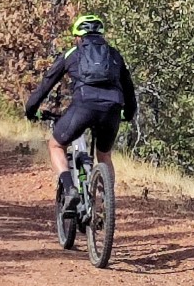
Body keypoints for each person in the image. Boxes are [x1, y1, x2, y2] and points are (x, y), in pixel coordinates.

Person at [24, 15, 137, 205]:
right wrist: (128, 113)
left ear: (78, 36)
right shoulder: (115, 55)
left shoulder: (72, 54)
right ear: (101, 35)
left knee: (56, 145)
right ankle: (104, 203)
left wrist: (31, 109)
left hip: (84, 106)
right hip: (112, 108)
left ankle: (69, 189)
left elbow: (46, 84)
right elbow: (129, 89)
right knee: (104, 155)